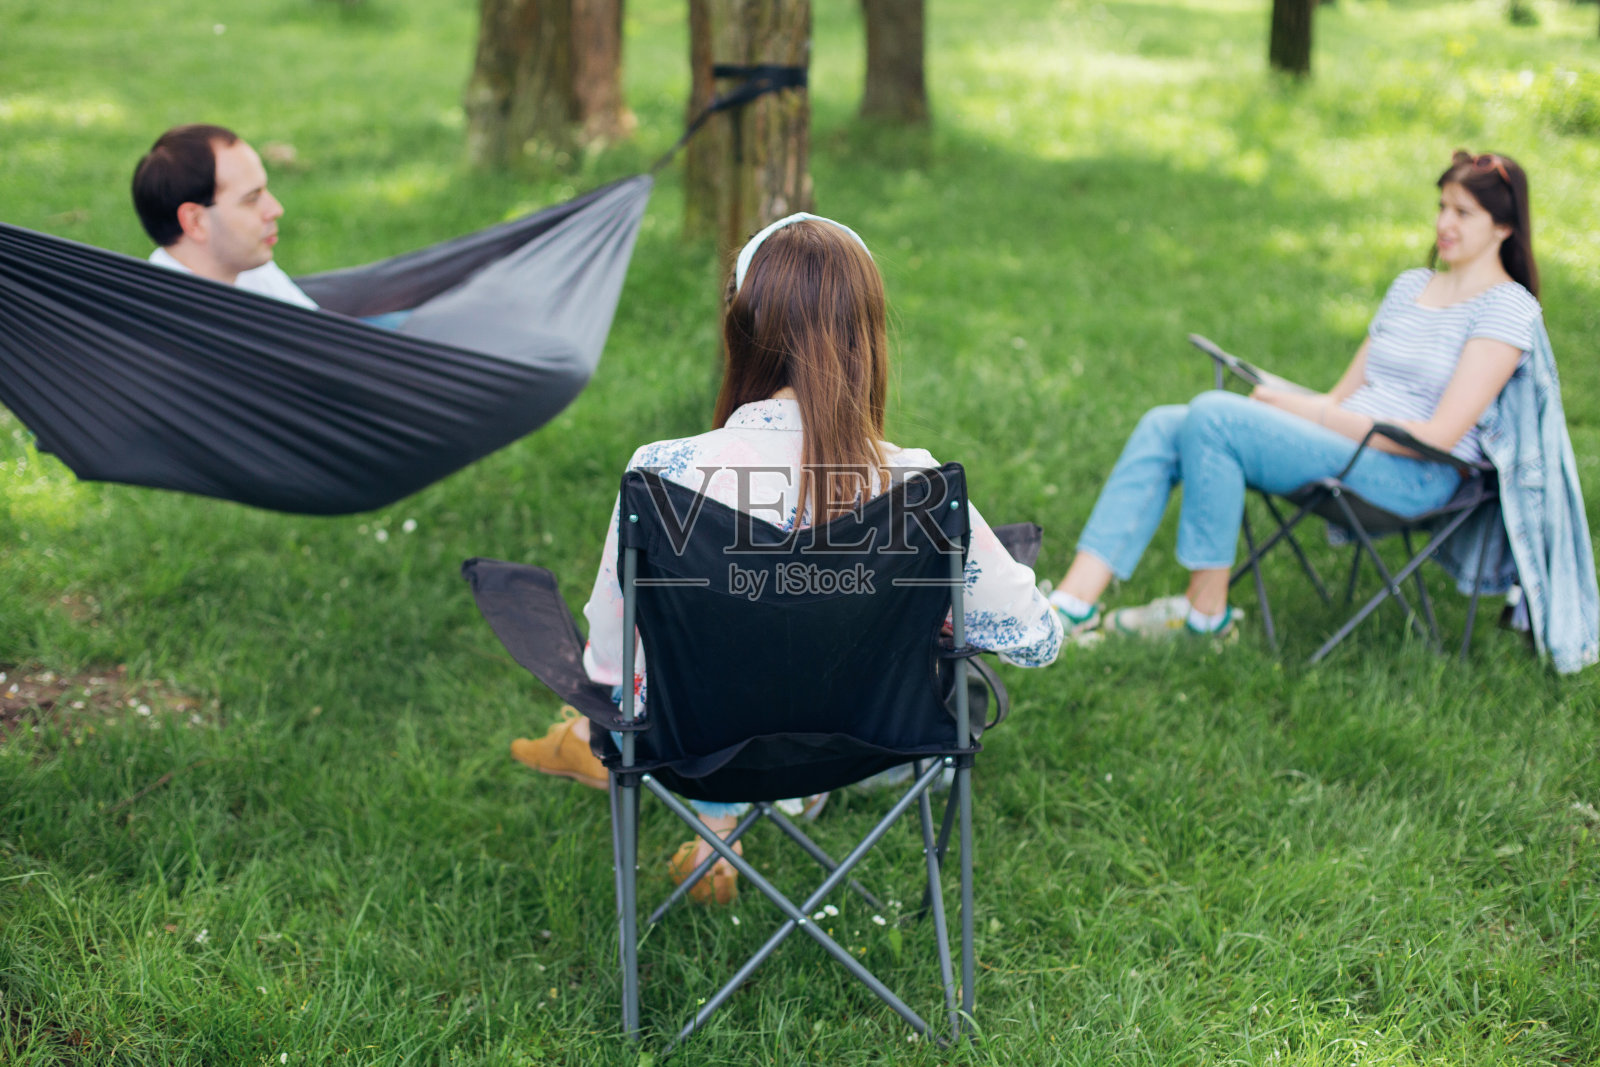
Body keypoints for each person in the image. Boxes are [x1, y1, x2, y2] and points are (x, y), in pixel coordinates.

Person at [511, 213, 1064, 903]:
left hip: (700, 755)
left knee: (669, 674)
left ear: (742, 330)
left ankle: (699, 824)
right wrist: (937, 618)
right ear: (866, 338)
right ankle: (731, 824)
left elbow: (610, 667)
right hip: (863, 742)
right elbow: (1037, 638)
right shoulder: (917, 488)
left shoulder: (665, 475)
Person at [1047, 150, 1543, 642]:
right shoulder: (1411, 285)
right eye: (1441, 207)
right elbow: (1345, 396)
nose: (1444, 223)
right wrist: (1301, 405)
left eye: (1462, 213)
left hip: (1414, 476)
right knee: (1165, 422)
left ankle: (1205, 619)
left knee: (1215, 416)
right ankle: (1070, 607)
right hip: (1347, 447)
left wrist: (1307, 411)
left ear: (1503, 227)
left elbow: (1439, 435)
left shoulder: (1506, 308)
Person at [131, 124, 318, 309]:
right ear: (195, 222)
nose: (276, 209)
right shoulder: (162, 319)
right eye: (252, 199)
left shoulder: (252, 272)